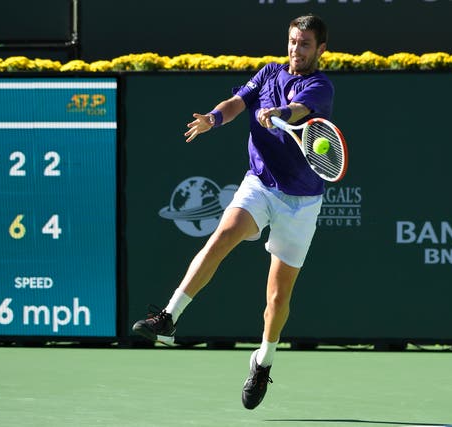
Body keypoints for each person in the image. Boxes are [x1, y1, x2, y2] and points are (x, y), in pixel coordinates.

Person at [132, 14, 334, 410]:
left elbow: (297, 110)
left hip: (301, 202)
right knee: (222, 236)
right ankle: (169, 317)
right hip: (259, 182)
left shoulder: (320, 85)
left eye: (305, 44)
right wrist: (213, 118)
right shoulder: (268, 72)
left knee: (277, 298)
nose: (296, 49)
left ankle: (263, 361)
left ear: (320, 49)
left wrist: (279, 114)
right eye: (293, 41)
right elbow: (238, 101)